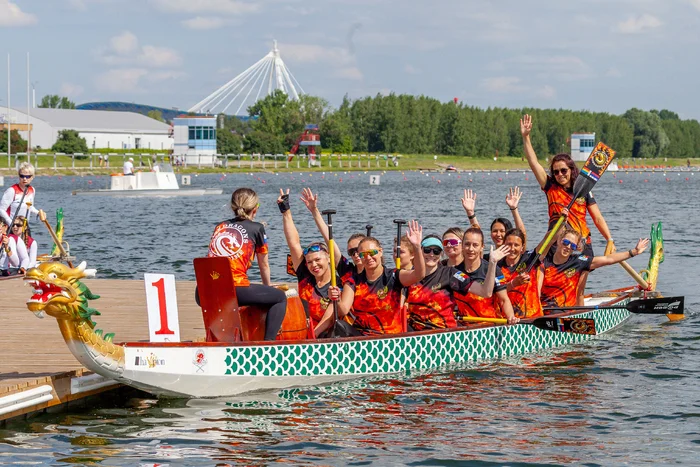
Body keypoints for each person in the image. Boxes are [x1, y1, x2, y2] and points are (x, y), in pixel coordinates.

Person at [521, 114, 613, 304]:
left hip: (581, 244)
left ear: (571, 170)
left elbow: (597, 218)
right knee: (546, 279)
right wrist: (526, 137)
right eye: (556, 171)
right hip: (556, 242)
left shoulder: (584, 191)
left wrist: (609, 239)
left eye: (564, 170)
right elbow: (533, 163)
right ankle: (540, 309)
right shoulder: (549, 187)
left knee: (579, 288)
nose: (560, 174)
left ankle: (579, 323)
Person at [207, 187, 286, 341]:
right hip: (233, 289)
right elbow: (264, 265)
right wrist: (268, 287)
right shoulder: (257, 228)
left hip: (207, 290)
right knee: (279, 297)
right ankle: (268, 345)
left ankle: (223, 338)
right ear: (255, 209)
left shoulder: (220, 226)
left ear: (232, 207)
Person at [278, 188, 354, 337]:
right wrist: (286, 212)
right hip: (306, 333)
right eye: (310, 262)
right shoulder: (305, 277)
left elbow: (328, 319)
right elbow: (293, 244)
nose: (314, 265)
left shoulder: (338, 285)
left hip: (327, 335)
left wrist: (309, 337)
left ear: (328, 258)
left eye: (318, 260)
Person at [335, 221, 427, 335]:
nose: (368, 257)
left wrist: (417, 247)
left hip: (389, 338)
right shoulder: (353, 281)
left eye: (372, 252)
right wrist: (337, 299)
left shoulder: (394, 276)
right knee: (340, 325)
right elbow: (343, 309)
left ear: (380, 252)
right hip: (362, 338)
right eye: (363, 254)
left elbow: (419, 274)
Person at [406, 235, 512, 331]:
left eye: (436, 251)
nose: (431, 254)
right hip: (415, 333)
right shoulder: (409, 276)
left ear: (441, 254)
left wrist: (492, 263)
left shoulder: (450, 273)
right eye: (427, 250)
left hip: (443, 333)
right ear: (420, 251)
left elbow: (485, 292)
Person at [540, 228, 650, 310]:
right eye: (566, 242)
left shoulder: (579, 261)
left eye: (572, 246)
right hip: (542, 312)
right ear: (559, 241)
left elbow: (608, 259)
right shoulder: (543, 261)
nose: (568, 247)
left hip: (566, 313)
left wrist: (633, 252)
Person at [453, 228, 519, 324]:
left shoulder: (493, 270)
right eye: (467, 244)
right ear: (462, 246)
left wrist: (511, 318)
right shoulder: (455, 272)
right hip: (464, 328)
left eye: (475, 245)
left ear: (482, 247)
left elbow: (504, 300)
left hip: (489, 326)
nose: (470, 249)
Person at [462, 187, 526, 258]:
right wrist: (470, 213)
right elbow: (478, 235)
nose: (498, 234)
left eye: (502, 231)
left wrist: (514, 209)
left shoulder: (515, 255)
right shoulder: (488, 258)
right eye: (495, 231)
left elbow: (522, 235)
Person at [498, 228, 543, 318]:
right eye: (509, 244)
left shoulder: (530, 260)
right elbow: (493, 293)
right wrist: (514, 283)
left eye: (516, 245)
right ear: (503, 245)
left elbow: (549, 240)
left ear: (522, 248)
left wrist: (560, 223)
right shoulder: (496, 266)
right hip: (507, 319)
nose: (512, 248)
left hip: (532, 317)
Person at [0, 162, 45, 227]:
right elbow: (1, 209)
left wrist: (38, 213)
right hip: (11, 227)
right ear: (19, 176)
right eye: (22, 176)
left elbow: (30, 207)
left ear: (32, 177)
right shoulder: (12, 191)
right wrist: (11, 223)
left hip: (24, 227)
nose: (24, 179)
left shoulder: (32, 190)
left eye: (28, 176)